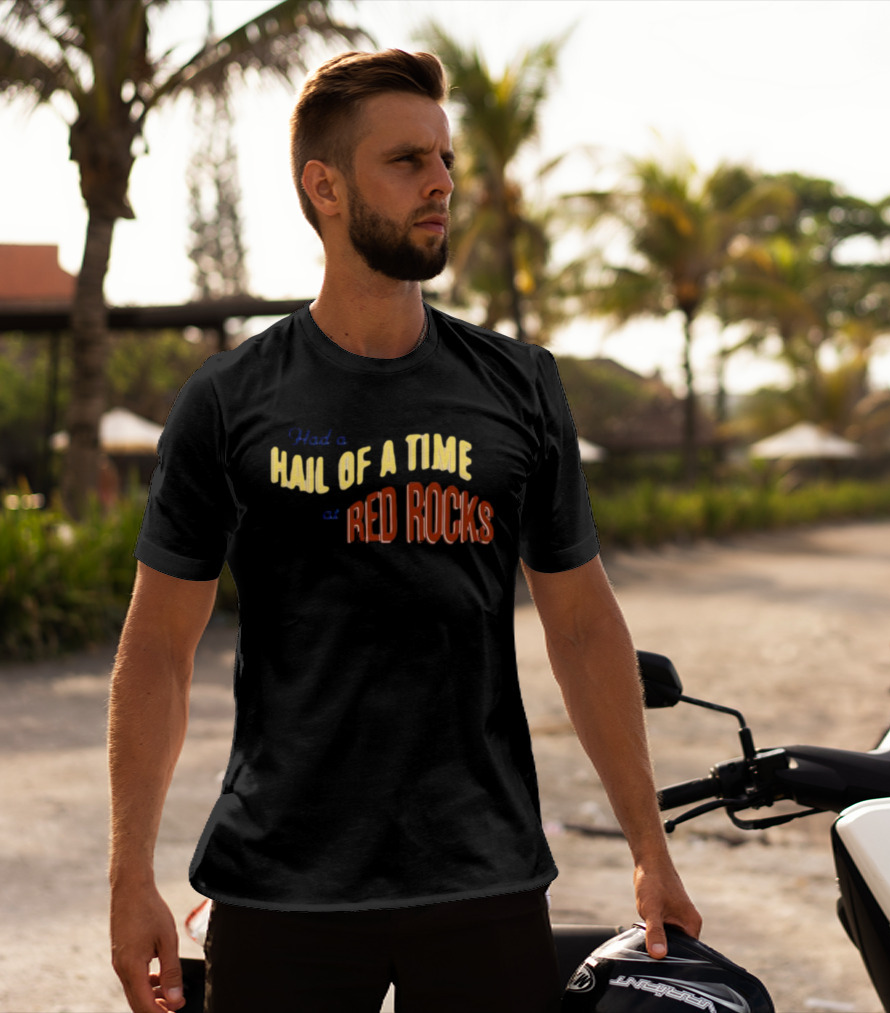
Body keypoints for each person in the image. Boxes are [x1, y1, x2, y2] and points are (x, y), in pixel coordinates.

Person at [108, 48, 701, 1013]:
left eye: (446, 157)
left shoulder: (519, 385)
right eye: (408, 161)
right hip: (281, 880)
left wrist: (650, 847)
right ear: (325, 187)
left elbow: (585, 628)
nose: (442, 183)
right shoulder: (228, 402)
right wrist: (129, 874)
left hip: (484, 876)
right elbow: (156, 653)